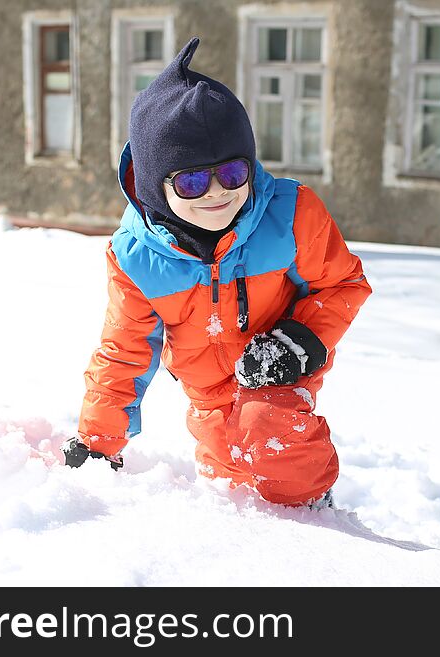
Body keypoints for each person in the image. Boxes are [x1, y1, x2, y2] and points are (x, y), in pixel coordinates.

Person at [63, 37, 371, 508]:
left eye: (232, 174)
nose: (215, 194)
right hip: (206, 396)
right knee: (230, 487)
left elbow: (343, 283)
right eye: (190, 181)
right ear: (152, 185)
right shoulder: (137, 258)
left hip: (277, 375)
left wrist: (299, 340)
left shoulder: (290, 214)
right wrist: (99, 441)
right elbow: (124, 351)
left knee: (274, 447)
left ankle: (313, 517)